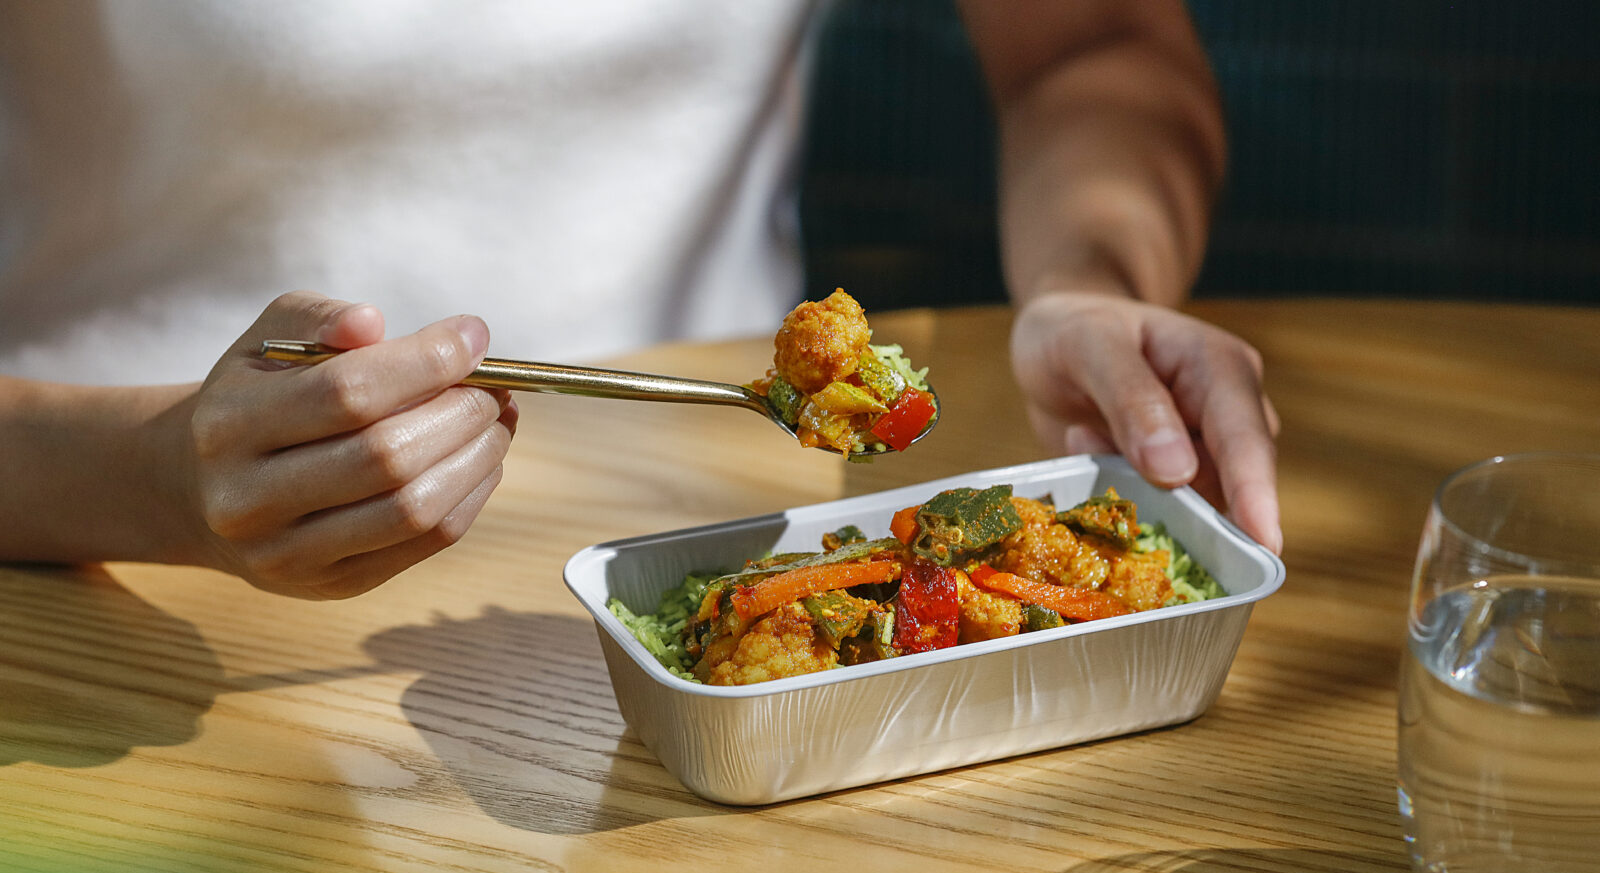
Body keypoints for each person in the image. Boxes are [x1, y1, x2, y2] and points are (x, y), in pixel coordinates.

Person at [0, 0, 1279, 600]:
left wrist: (1087, 284)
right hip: (82, 583)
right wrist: (159, 478)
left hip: (705, 580)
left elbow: (1091, 44)